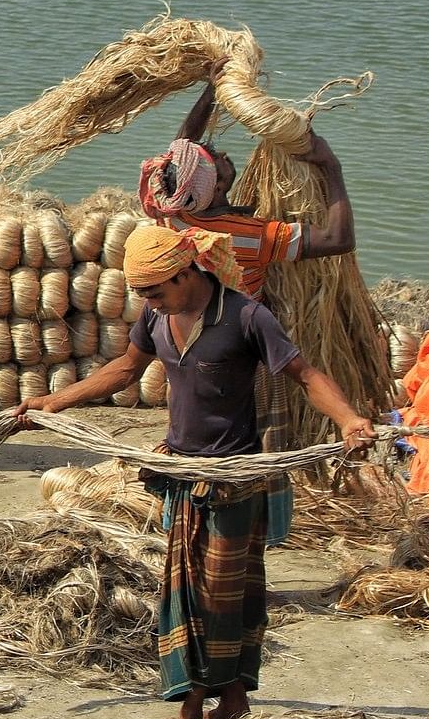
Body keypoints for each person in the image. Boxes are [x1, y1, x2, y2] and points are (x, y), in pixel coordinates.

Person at [13, 225, 373, 719]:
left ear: (187, 273)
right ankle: (201, 707)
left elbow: (303, 374)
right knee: (187, 598)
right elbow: (124, 369)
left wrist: (349, 419)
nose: (147, 302)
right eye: (141, 294)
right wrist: (56, 401)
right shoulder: (158, 316)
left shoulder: (247, 317)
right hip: (182, 476)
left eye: (155, 290)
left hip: (235, 480)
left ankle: (222, 704)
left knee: (229, 598)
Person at [138, 74, 359, 544]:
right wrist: (331, 167)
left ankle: (180, 521)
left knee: (189, 432)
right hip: (242, 350)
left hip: (187, 346)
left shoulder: (170, 213)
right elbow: (339, 240)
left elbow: (182, 148)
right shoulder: (251, 237)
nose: (215, 154)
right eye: (213, 162)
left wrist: (214, 89)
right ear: (213, 186)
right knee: (258, 441)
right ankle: (260, 532)